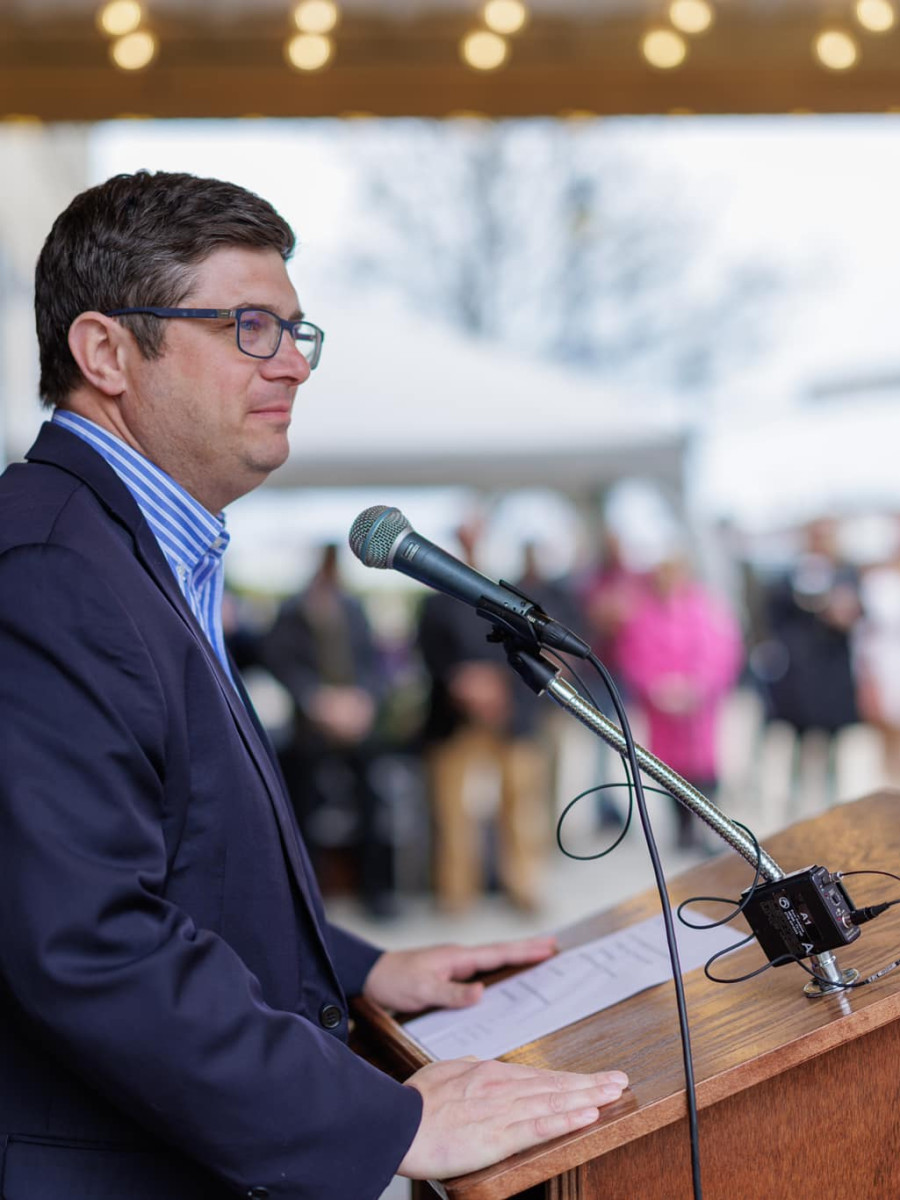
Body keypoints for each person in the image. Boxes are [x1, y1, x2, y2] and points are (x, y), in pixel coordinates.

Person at [0, 171, 627, 1200]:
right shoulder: (48, 574)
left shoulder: (136, 550)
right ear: (106, 352)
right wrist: (385, 1121)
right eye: (249, 326)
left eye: (297, 331)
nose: (292, 362)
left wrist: (356, 968)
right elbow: (86, 939)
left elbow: (176, 846)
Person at [417, 520, 551, 913]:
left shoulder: (507, 590)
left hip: (509, 713)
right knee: (452, 809)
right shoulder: (434, 598)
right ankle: (456, 891)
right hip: (454, 716)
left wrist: (497, 683)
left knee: (522, 805)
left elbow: (528, 641)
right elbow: (427, 651)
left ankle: (523, 884)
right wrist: (461, 681)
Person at [260, 542, 397, 916]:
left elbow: (372, 662)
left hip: (356, 720)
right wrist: (316, 699)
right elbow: (279, 659)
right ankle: (310, 892)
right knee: (302, 807)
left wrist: (364, 700)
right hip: (312, 727)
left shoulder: (353, 608)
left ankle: (376, 892)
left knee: (372, 804)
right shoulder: (294, 609)